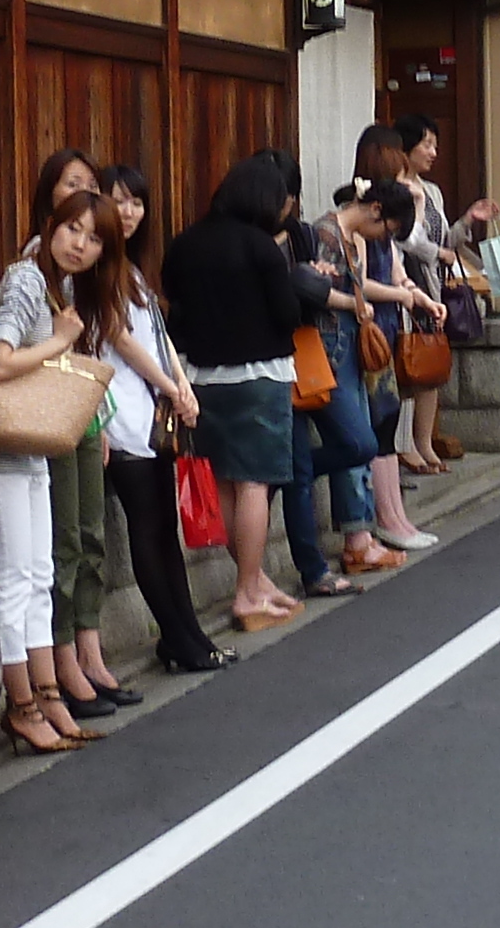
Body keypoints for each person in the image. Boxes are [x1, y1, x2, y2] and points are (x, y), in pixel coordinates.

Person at [160, 152, 322, 626]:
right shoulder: (261, 247)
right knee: (255, 482)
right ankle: (247, 591)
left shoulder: (185, 244)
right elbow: (287, 314)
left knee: (227, 480)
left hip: (200, 379)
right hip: (258, 377)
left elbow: (173, 299)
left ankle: (253, 581)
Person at [0, 187, 112, 750]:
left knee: (37, 577)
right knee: (15, 581)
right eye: (72, 229)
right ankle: (22, 703)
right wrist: (60, 342)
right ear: (50, 226)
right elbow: (0, 360)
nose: (80, 244)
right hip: (4, 450)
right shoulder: (26, 279)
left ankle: (47, 695)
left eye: (94, 237)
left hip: (32, 450)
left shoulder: (53, 285)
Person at [92, 163, 226, 674]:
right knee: (147, 526)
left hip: (149, 407)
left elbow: (156, 336)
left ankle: (187, 635)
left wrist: (181, 385)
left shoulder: (131, 268)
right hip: (119, 411)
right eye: (117, 199)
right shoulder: (99, 265)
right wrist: (173, 387)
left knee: (164, 526)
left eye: (136, 202)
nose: (127, 211)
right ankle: (178, 639)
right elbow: (121, 338)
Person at [25, 149, 134, 722]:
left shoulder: (85, 275)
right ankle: (64, 661)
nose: (82, 237)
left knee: (91, 536)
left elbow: (91, 352)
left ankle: (89, 652)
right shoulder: (33, 271)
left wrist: (103, 416)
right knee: (65, 541)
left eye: (93, 188)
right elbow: (11, 357)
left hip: (84, 413)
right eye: (72, 191)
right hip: (48, 418)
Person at [315, 173, 439, 553]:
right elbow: (324, 290)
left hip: (354, 340)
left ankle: (363, 531)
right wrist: (360, 303)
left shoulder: (348, 236)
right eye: (387, 227)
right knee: (360, 439)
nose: (384, 236)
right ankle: (361, 531)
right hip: (336, 344)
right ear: (375, 210)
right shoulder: (329, 234)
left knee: (367, 436)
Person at [388, 115, 489, 473]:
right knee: (406, 368)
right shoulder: (392, 189)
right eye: (427, 143)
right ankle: (402, 446)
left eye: (435, 144)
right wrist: (438, 253)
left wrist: (466, 222)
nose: (434, 151)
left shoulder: (431, 192)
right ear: (405, 148)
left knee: (429, 368)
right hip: (402, 287)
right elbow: (407, 241)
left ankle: (424, 442)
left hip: (430, 288)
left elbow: (443, 240)